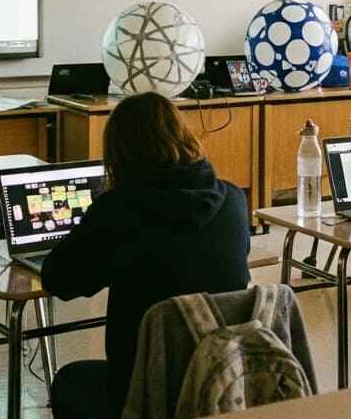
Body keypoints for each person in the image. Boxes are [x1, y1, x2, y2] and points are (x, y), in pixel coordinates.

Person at [41, 92, 250, 419]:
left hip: (144, 391)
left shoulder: (119, 211)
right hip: (224, 381)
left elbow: (58, 280)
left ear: (119, 153)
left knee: (70, 380)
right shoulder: (233, 199)